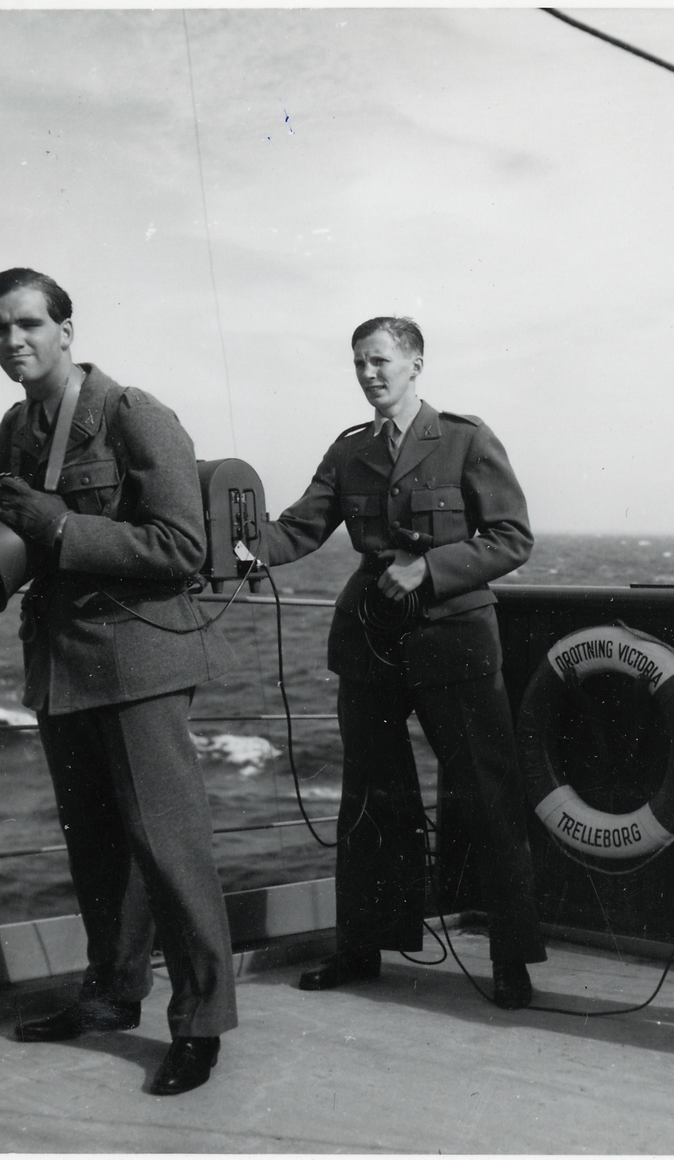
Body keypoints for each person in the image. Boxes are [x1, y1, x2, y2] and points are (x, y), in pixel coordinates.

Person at [0, 268, 238, 1096]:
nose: (13, 341)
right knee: (96, 850)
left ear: (67, 330)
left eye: (28, 324)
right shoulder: (18, 425)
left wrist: (63, 528)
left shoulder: (131, 414)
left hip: (138, 662)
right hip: (62, 666)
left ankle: (202, 1024)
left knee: (171, 851)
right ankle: (112, 994)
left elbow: (181, 546)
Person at [258, 316, 546, 1008]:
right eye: (359, 363)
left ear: (415, 363)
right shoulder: (349, 449)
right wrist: (228, 545)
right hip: (371, 641)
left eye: (380, 361)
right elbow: (298, 529)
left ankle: (512, 958)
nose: (368, 374)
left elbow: (512, 537)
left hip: (454, 640)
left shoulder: (466, 439)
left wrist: (430, 567)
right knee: (369, 798)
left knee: (488, 797)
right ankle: (361, 946)